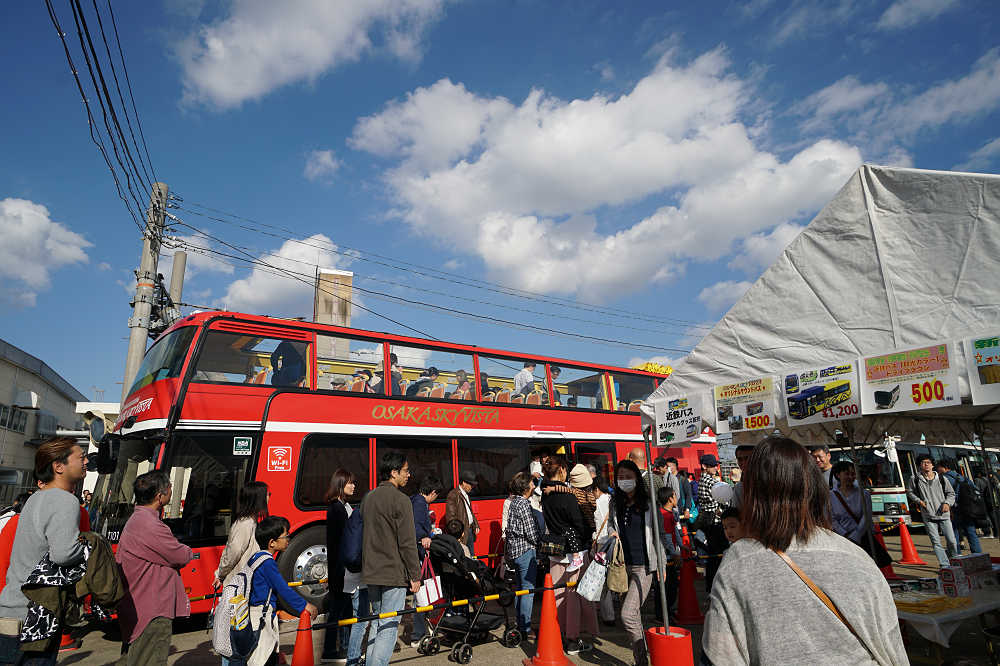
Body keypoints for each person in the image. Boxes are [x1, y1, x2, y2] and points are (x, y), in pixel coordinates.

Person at [702, 436, 907, 665]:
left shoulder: (738, 563)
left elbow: (721, 654)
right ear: (815, 489)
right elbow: (892, 646)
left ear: (753, 495)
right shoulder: (856, 556)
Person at [0, 437, 87, 663]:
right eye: (80, 457)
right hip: (36, 618)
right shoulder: (65, 501)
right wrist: (88, 546)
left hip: (10, 610)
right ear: (59, 467)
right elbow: (64, 554)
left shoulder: (35, 499)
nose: (86, 461)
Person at [116, 470, 194, 665]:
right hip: (151, 608)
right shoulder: (150, 525)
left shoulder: (138, 520)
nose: (170, 491)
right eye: (169, 489)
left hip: (140, 604)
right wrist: (186, 548)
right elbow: (181, 555)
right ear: (160, 496)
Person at [360, 453, 421, 666]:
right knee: (389, 625)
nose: (409, 474)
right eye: (405, 471)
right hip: (392, 571)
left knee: (377, 621)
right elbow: (407, 542)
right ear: (393, 473)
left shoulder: (368, 497)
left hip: (371, 570)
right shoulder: (401, 500)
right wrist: (415, 575)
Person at [607, 460, 665, 666]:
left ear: (636, 478)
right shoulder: (615, 502)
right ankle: (641, 660)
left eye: (628, 476)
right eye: (620, 477)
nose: (624, 481)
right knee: (634, 616)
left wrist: (662, 564)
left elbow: (660, 535)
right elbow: (611, 526)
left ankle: (642, 658)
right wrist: (611, 533)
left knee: (628, 614)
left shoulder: (649, 503)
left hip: (644, 566)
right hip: (623, 566)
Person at [540, 455, 597, 655]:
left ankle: (556, 632)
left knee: (556, 594)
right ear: (563, 470)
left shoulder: (545, 493)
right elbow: (578, 524)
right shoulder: (570, 496)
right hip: (575, 552)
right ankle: (572, 640)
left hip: (554, 550)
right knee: (572, 596)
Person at [243, 517, 318, 665]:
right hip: (261, 617)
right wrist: (305, 605)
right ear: (272, 543)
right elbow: (282, 588)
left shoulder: (255, 558)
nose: (288, 538)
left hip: (254, 614)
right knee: (262, 658)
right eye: (285, 536)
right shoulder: (268, 563)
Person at [322, 470, 355, 662]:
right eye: (349, 483)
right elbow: (343, 540)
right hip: (340, 569)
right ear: (340, 484)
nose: (353, 486)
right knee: (339, 611)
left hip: (340, 568)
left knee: (342, 610)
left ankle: (339, 648)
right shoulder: (337, 509)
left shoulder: (342, 506)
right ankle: (337, 649)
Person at [213, 482, 270, 591]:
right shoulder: (245, 524)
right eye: (267, 494)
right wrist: (220, 574)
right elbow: (234, 552)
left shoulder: (250, 521)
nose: (269, 497)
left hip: (245, 583)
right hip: (240, 586)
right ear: (258, 499)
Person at [503, 472, 539, 639]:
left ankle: (519, 623)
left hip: (514, 552)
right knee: (528, 591)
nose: (534, 485)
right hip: (525, 551)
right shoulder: (524, 504)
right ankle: (525, 628)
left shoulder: (514, 502)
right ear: (525, 487)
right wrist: (540, 543)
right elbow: (530, 532)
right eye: (532, 483)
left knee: (520, 589)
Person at [906, 454, 958, 567]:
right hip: (928, 515)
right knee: (936, 542)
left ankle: (953, 559)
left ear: (933, 465)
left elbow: (951, 493)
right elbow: (909, 492)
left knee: (952, 541)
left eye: (928, 462)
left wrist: (947, 503)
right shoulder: (914, 479)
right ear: (920, 465)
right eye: (924, 463)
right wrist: (919, 501)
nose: (926, 465)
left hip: (944, 514)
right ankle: (944, 565)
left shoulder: (942, 478)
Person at [409, 476, 441, 648]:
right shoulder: (421, 503)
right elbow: (416, 526)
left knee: (419, 596)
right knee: (420, 596)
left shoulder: (413, 499)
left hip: (414, 552)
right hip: (418, 554)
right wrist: (425, 536)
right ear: (433, 492)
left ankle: (420, 631)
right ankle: (418, 634)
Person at [696, 454, 728, 592]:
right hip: (714, 521)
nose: (716, 467)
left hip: (707, 519)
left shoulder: (702, 480)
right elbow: (724, 500)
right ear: (704, 466)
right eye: (713, 465)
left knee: (713, 557)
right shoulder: (710, 481)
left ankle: (711, 587)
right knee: (718, 556)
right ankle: (715, 587)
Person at [938, 459, 982, 554]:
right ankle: (977, 553)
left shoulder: (945, 478)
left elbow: (947, 495)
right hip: (968, 508)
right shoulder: (962, 477)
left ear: (944, 467)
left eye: (939, 467)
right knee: (971, 532)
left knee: (953, 532)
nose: (938, 470)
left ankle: (956, 553)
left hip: (955, 509)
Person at [590, 472, 615, 627]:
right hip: (615, 542)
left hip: (603, 543)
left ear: (597, 489)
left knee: (603, 579)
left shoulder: (598, 503)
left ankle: (608, 615)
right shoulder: (612, 500)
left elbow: (598, 526)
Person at [657, 486, 683, 621]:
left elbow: (675, 533)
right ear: (670, 499)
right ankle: (663, 614)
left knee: (672, 585)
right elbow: (666, 537)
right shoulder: (664, 515)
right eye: (674, 495)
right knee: (668, 586)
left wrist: (682, 546)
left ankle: (669, 611)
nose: (676, 498)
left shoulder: (672, 513)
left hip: (672, 553)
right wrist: (674, 553)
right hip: (666, 557)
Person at [445, 471, 480, 554]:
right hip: (462, 532)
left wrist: (476, 524)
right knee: (464, 556)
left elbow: (469, 512)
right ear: (464, 483)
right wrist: (459, 532)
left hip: (469, 530)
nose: (472, 487)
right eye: (471, 484)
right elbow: (451, 517)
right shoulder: (453, 495)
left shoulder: (465, 494)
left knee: (470, 556)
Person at [730, 445, 754, 510]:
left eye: (747, 458)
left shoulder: (770, 482)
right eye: (740, 459)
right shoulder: (739, 488)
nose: (744, 463)